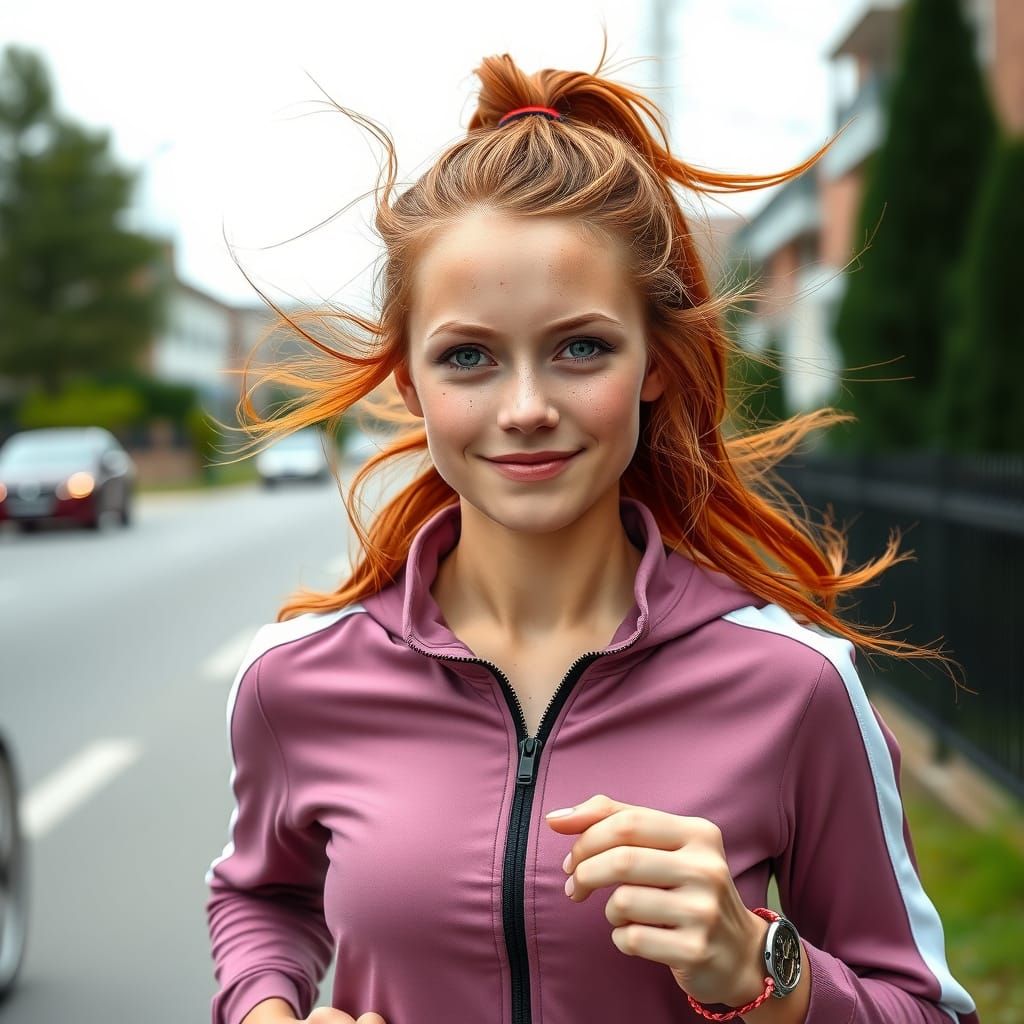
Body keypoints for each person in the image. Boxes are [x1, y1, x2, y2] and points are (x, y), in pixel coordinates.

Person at [204, 44, 981, 1024]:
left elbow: (927, 1009)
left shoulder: (796, 686)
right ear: (408, 381)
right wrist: (265, 1010)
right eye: (469, 357)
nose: (526, 407)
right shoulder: (293, 682)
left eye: (581, 347)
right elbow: (262, 895)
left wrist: (763, 969)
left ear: (655, 363)